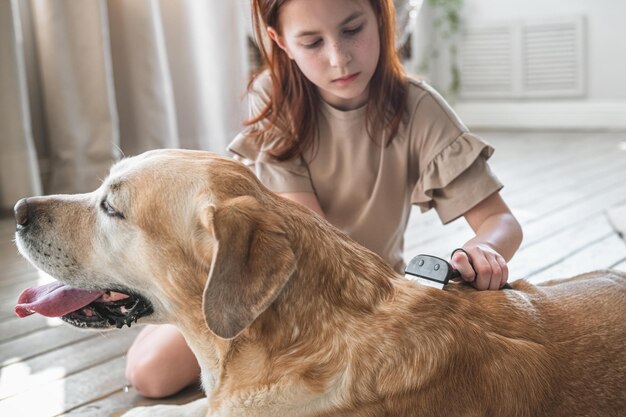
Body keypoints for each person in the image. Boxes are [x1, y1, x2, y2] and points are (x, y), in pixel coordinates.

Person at [125, 0, 523, 398]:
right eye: (312, 42)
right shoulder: (276, 102)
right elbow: (314, 244)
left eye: (352, 30)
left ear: (381, 17)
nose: (339, 57)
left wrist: (481, 251)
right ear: (281, 42)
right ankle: (175, 300)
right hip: (275, 285)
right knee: (150, 374)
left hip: (369, 299)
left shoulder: (420, 108)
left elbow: (500, 222)